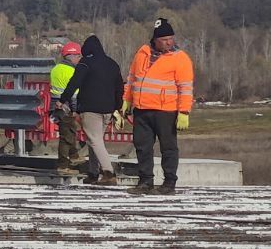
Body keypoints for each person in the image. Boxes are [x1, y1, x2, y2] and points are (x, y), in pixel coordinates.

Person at [123, 17, 194, 195]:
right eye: (164, 40)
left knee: (168, 148)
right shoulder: (142, 53)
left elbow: (185, 87)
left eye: (171, 38)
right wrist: (127, 100)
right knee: (142, 146)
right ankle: (145, 181)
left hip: (166, 111)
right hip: (142, 109)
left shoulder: (180, 58)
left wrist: (184, 111)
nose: (168, 42)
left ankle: (169, 183)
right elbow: (132, 79)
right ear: (155, 39)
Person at [58, 35, 125, 186]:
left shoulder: (85, 63)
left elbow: (74, 82)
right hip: (108, 109)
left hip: (90, 108)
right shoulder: (112, 64)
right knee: (95, 141)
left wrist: (63, 99)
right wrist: (118, 106)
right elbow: (119, 87)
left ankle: (109, 173)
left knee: (94, 140)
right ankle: (93, 173)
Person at [49, 41, 84, 175]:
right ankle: (63, 165)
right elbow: (74, 94)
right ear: (72, 56)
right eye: (78, 56)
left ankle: (74, 156)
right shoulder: (72, 71)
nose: (79, 59)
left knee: (70, 131)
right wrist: (76, 110)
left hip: (55, 106)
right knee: (66, 136)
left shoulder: (55, 69)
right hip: (66, 107)